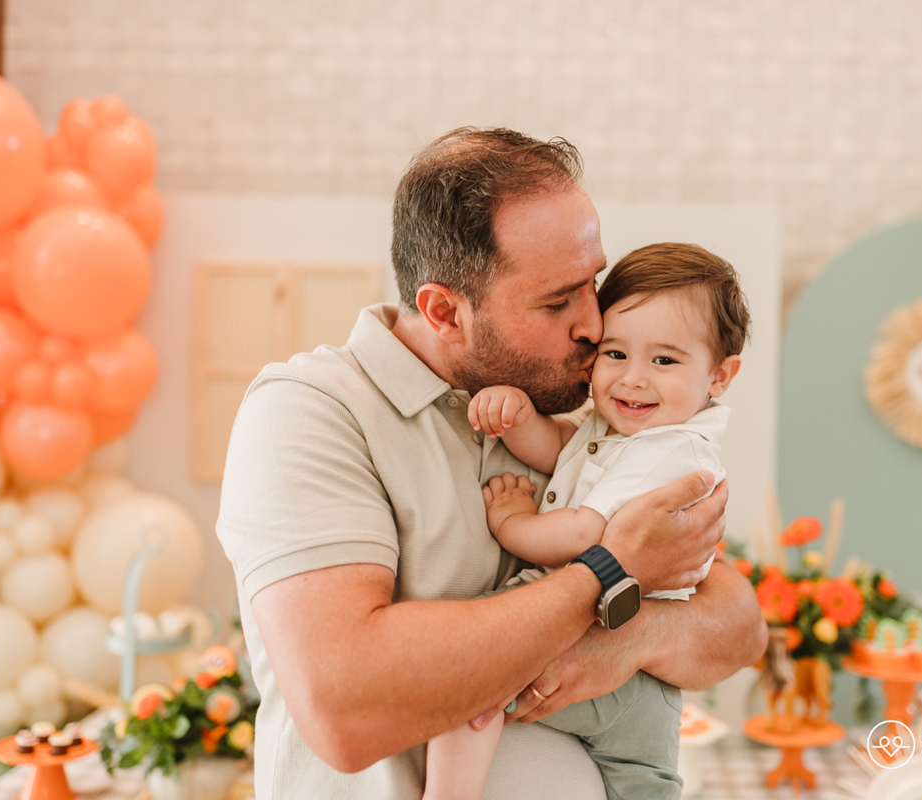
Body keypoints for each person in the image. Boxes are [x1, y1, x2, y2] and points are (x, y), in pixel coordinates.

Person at [216, 127, 768, 800]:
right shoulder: (311, 412)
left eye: (591, 283)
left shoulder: (568, 416)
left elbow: (739, 626)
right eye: (557, 299)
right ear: (445, 311)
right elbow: (344, 708)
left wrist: (633, 637)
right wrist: (606, 576)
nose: (596, 324)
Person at [424, 242, 750, 800]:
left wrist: (512, 521)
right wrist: (519, 414)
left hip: (607, 641)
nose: (633, 379)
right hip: (633, 669)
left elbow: (584, 535)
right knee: (644, 786)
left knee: (469, 677)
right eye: (616, 354)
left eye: (664, 360)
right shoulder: (628, 431)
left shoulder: (674, 453)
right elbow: (562, 451)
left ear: (720, 376)